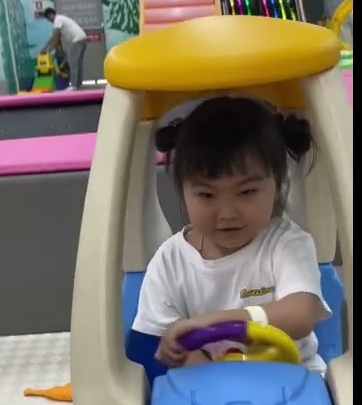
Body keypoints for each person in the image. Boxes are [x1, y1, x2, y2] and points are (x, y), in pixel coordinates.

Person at [130, 97, 332, 375]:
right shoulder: (171, 260)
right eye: (206, 195)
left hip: (294, 379)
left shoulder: (286, 243)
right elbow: (155, 345)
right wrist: (185, 358)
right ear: (182, 190)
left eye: (247, 192)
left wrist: (218, 322)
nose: (227, 213)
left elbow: (301, 314)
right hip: (207, 385)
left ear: (278, 183)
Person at [39, 8, 88, 89]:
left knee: (72, 63)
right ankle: (78, 84)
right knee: (78, 62)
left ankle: (73, 86)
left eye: (48, 19)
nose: (50, 21)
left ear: (51, 15)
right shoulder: (62, 19)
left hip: (77, 40)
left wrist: (45, 50)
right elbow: (56, 39)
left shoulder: (57, 20)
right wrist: (47, 49)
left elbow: (54, 37)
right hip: (83, 38)